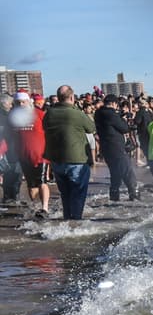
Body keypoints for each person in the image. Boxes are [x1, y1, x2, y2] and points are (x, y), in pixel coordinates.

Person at [42, 85, 97, 220]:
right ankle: (75, 222)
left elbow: (44, 126)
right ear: (72, 97)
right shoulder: (77, 113)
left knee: (65, 194)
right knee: (77, 193)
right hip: (76, 159)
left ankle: (67, 219)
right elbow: (91, 128)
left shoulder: (49, 114)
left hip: (56, 160)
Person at [10, 91, 50, 217]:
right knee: (31, 186)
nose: (21, 105)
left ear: (29, 102)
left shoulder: (39, 114)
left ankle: (45, 208)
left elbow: (50, 131)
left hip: (40, 154)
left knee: (42, 182)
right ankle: (35, 206)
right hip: (23, 156)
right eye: (18, 103)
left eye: (23, 102)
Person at [94, 94, 138, 202]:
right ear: (114, 104)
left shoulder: (98, 113)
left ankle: (114, 197)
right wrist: (123, 119)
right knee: (127, 171)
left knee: (115, 173)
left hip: (106, 147)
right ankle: (134, 195)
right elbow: (124, 128)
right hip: (116, 147)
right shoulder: (111, 114)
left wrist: (119, 116)